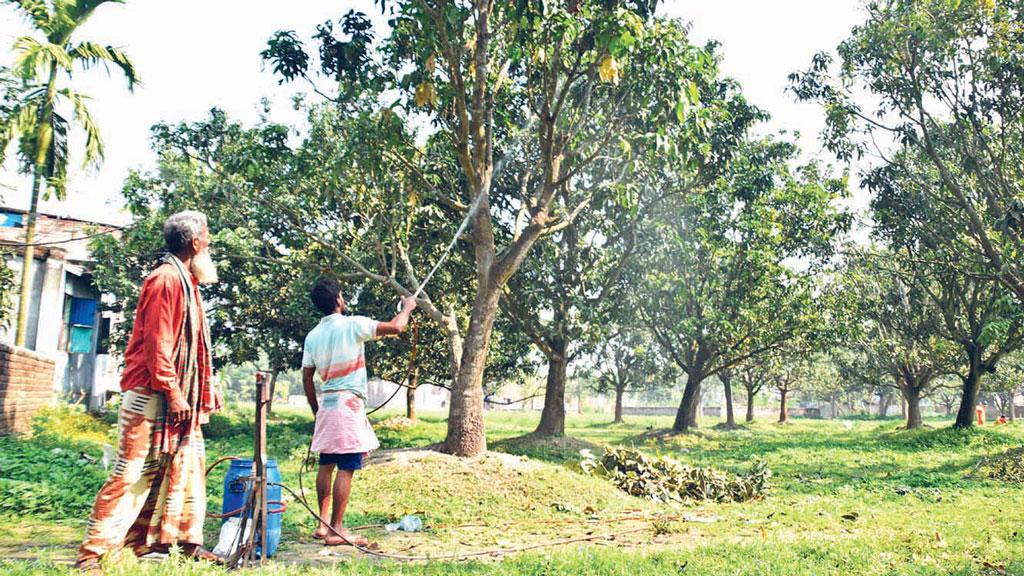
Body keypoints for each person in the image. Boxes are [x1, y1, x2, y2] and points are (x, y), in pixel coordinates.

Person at [77, 211, 223, 571]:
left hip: (173, 392)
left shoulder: (186, 281)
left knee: (186, 466)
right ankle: (91, 555)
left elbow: (193, 348)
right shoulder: (165, 280)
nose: (210, 244)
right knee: (131, 473)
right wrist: (173, 392)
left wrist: (205, 386)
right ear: (194, 243)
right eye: (207, 237)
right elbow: (160, 343)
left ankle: (183, 543)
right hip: (151, 392)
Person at [301, 277, 417, 546]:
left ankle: (323, 524)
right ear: (339, 301)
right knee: (347, 465)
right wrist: (407, 307)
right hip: (348, 405)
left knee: (326, 463)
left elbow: (307, 378)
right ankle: (337, 530)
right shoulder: (352, 325)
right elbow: (397, 327)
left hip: (328, 404)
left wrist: (317, 410)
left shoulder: (313, 336)